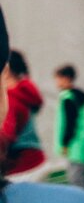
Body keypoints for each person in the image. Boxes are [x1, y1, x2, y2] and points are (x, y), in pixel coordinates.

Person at [0, 7, 84, 202]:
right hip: (38, 160)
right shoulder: (27, 92)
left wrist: (65, 143)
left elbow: (8, 135)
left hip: (27, 165)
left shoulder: (17, 99)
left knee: (81, 179)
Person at [0, 51, 46, 182]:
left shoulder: (10, 99)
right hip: (36, 159)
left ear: (6, 71)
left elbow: (6, 135)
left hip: (20, 168)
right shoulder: (24, 91)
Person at [53, 65, 84, 194]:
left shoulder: (67, 98)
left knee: (76, 178)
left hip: (76, 143)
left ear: (66, 79)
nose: (56, 82)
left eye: (58, 79)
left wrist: (65, 143)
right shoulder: (75, 95)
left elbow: (70, 123)